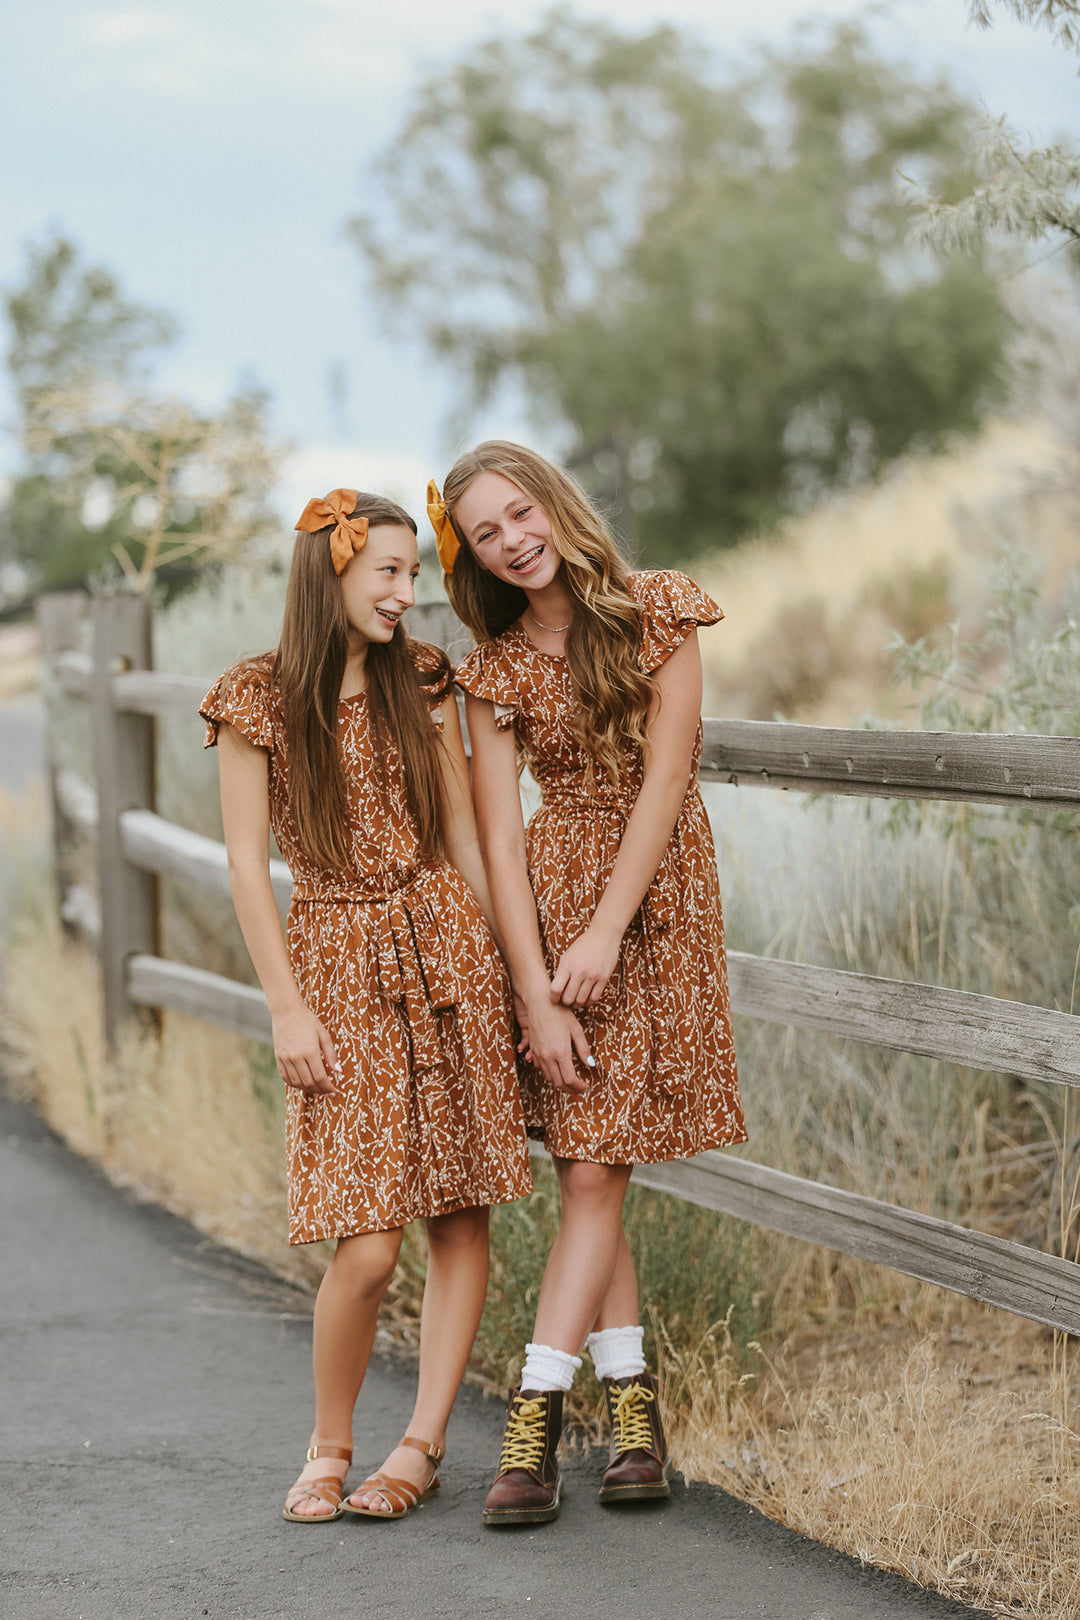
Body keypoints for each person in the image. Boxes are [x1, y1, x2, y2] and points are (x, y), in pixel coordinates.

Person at [428, 443, 746, 1526]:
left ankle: (538, 1422)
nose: (514, 540)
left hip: (653, 906)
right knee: (590, 1170)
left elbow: (667, 778)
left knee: (597, 1171)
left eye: (521, 514)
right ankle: (629, 1426)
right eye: (487, 532)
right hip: (552, 915)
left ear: (555, 506)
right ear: (469, 553)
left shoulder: (660, 611)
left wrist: (607, 932)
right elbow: (499, 844)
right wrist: (534, 990)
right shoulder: (495, 668)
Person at [200, 488, 532, 1524]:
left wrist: (515, 980)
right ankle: (330, 1441)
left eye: (413, 574)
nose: (406, 593)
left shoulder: (423, 677)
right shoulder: (256, 697)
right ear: (330, 571)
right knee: (368, 1238)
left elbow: (471, 839)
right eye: (387, 572)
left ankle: (420, 1445)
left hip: (446, 952)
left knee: (458, 1213)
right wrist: (288, 1010)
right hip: (336, 961)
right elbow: (250, 873)